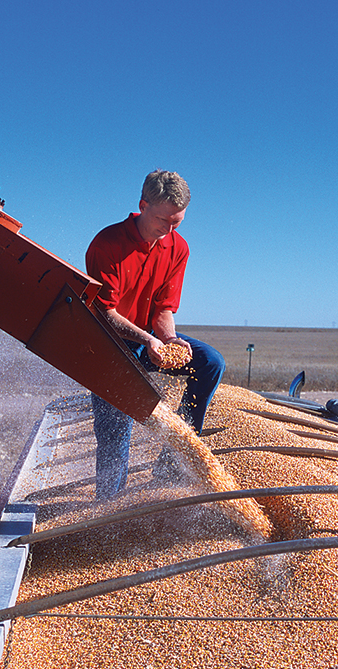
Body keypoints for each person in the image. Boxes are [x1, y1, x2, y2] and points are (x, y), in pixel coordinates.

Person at [85, 170, 225, 500]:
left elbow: (163, 307)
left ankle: (172, 464)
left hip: (149, 338)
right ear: (143, 205)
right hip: (109, 346)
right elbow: (105, 313)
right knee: (116, 430)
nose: (169, 230)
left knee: (210, 363)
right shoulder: (108, 244)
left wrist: (170, 339)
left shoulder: (178, 247)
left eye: (178, 223)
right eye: (164, 221)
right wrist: (148, 341)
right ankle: (107, 508)